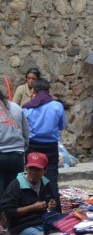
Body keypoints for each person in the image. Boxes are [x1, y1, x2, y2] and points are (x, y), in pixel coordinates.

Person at [22, 78, 65, 213]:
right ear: (48, 91)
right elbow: (62, 126)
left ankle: (33, 209)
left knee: (32, 176)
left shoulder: (27, 108)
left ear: (33, 91)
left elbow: (25, 128)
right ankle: (56, 212)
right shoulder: (57, 106)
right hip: (51, 146)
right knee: (51, 178)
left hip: (33, 146)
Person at [0, 152, 57, 235]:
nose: (33, 172)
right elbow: (9, 212)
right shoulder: (16, 185)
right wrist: (33, 207)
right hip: (22, 226)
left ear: (44, 170)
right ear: (26, 168)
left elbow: (51, 199)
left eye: (37, 169)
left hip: (43, 222)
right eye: (31, 168)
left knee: (64, 232)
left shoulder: (45, 183)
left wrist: (52, 203)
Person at [0, 89, 30, 199]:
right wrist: (23, 148)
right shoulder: (16, 107)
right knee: (14, 192)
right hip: (17, 155)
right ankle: (11, 215)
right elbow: (26, 132)